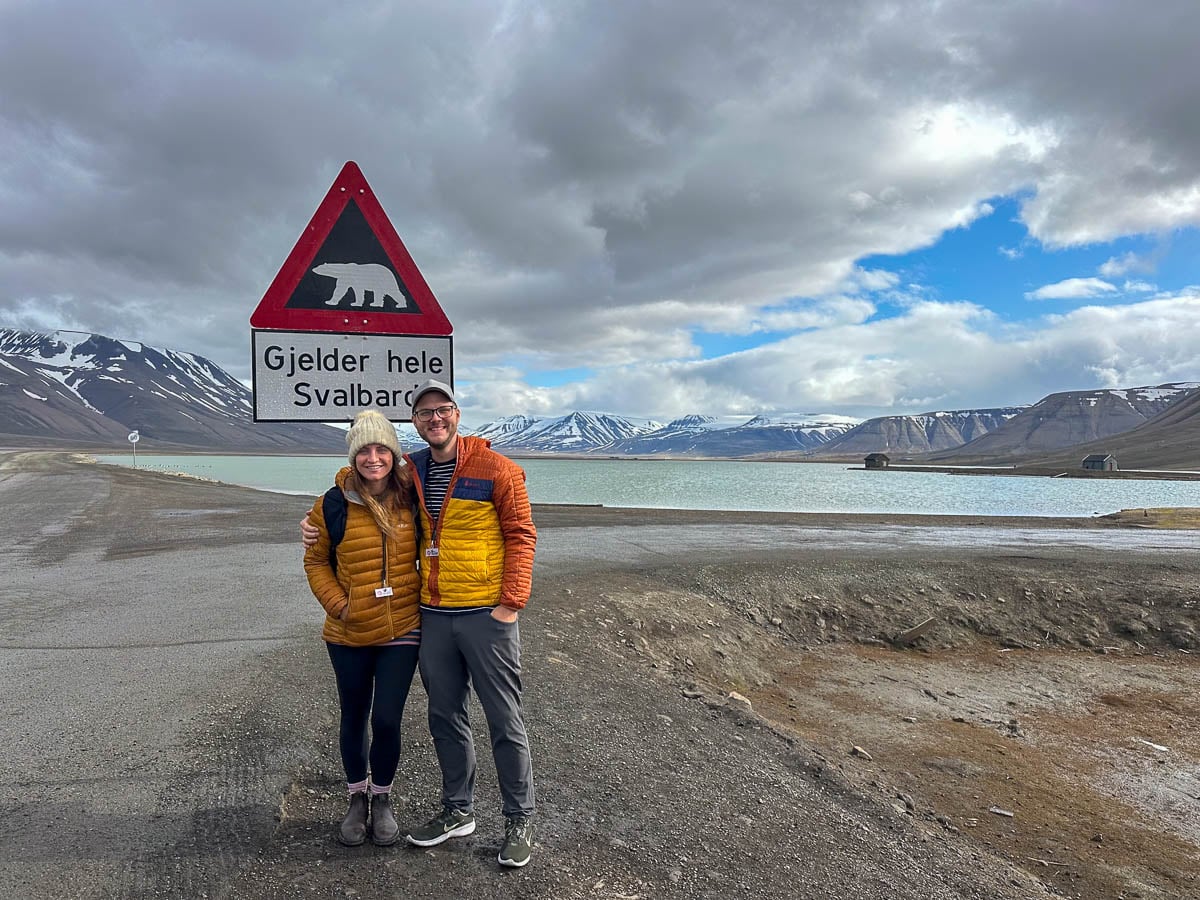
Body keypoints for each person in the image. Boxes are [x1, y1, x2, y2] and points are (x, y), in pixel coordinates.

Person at [301, 379, 539, 868]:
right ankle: (458, 810)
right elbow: (359, 479)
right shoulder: (415, 469)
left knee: (503, 719)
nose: (435, 418)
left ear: (456, 413)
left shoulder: (499, 470)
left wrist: (511, 603)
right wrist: (309, 528)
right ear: (415, 421)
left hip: (484, 614)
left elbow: (521, 534)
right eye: (425, 412)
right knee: (445, 716)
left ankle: (519, 819)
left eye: (443, 409)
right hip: (432, 616)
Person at [303, 408, 422, 848]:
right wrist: (338, 604)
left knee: (387, 719)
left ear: (393, 453)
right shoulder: (332, 503)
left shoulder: (413, 497)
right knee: (354, 716)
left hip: (403, 627)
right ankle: (357, 798)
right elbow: (315, 560)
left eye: (382, 449)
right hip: (348, 632)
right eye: (364, 450)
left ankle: (383, 799)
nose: (373, 458)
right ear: (353, 457)